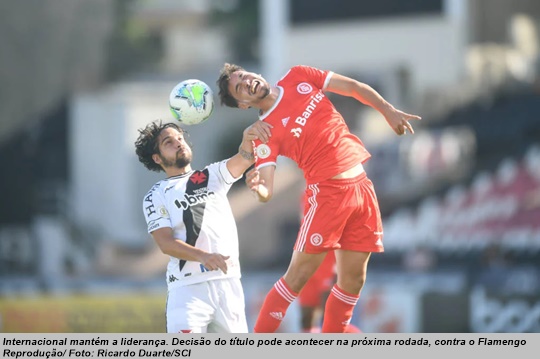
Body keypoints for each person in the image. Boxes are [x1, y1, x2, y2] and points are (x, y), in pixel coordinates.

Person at [217, 63, 421, 333]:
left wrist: (388, 110)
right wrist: (258, 186)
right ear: (243, 104)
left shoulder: (297, 75)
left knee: (353, 280)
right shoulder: (263, 131)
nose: (246, 83)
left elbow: (352, 87)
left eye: (244, 76)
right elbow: (266, 187)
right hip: (327, 196)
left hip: (362, 188)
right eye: (239, 88)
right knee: (297, 277)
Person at [134, 119, 269, 333]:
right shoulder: (155, 195)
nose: (179, 143)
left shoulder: (212, 175)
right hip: (187, 290)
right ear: (157, 158)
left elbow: (246, 157)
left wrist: (248, 136)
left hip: (228, 282)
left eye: (180, 138)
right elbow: (165, 243)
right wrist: (203, 256)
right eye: (169, 142)